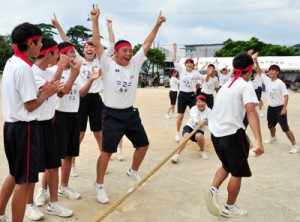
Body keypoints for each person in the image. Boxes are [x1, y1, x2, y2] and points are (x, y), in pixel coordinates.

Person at [91, 4, 166, 204]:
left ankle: (133, 171)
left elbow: (148, 43)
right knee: (107, 152)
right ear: (115, 53)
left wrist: (157, 25)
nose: (129, 53)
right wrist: (96, 20)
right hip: (112, 114)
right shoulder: (107, 64)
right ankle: (99, 185)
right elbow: (97, 43)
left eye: (130, 50)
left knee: (143, 145)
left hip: (130, 114)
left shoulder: (134, 63)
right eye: (125, 50)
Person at [0, 22, 60, 222]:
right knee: (24, 181)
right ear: (30, 43)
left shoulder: (11, 63)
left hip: (10, 127)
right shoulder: (25, 68)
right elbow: (31, 105)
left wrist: (43, 91)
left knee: (13, 174)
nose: (42, 45)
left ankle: (1, 214)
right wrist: (47, 94)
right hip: (24, 128)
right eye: (40, 41)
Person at [51, 14, 115, 177]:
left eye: (92, 46)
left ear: (95, 49)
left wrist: (109, 28)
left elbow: (112, 47)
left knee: (98, 133)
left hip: (95, 99)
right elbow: (66, 42)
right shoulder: (78, 59)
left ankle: (104, 161)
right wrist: (58, 26)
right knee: (79, 133)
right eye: (87, 46)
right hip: (80, 99)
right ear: (83, 49)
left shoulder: (101, 61)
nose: (90, 49)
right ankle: (71, 164)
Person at [205, 52, 264, 218]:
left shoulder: (226, 86)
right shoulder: (246, 86)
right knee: (237, 172)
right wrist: (259, 141)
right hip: (231, 135)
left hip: (216, 134)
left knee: (227, 165)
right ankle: (229, 207)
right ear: (250, 70)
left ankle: (213, 189)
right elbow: (251, 111)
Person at [23, 38, 76, 221]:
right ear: (49, 54)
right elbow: (50, 89)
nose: (60, 58)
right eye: (57, 54)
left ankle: (54, 203)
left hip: (49, 123)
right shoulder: (32, 72)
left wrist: (73, 72)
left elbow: (62, 91)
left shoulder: (50, 70)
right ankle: (28, 205)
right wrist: (61, 68)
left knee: (53, 166)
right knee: (32, 171)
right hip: (34, 124)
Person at [53, 42, 101, 201]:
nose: (74, 55)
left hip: (73, 114)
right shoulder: (54, 71)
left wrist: (91, 80)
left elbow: (80, 93)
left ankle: (64, 186)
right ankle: (42, 192)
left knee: (68, 155)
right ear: (60, 55)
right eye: (70, 53)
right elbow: (61, 93)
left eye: (73, 52)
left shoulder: (76, 71)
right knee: (53, 157)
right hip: (58, 115)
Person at [253, 54, 299, 154]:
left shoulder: (280, 83)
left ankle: (294, 145)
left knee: (285, 128)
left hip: (279, 107)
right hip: (271, 108)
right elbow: (260, 72)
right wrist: (256, 61)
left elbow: (286, 96)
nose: (270, 72)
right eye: (270, 70)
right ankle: (273, 137)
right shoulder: (267, 80)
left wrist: (284, 108)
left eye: (273, 70)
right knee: (270, 125)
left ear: (277, 72)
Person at [172, 43, 202, 142]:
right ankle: (177, 132)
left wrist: (209, 74)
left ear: (194, 65)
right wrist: (174, 49)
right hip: (182, 95)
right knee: (180, 115)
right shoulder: (181, 70)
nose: (189, 64)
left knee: (195, 114)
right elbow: (174, 61)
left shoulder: (196, 73)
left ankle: (195, 132)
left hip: (192, 95)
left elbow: (204, 78)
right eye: (188, 63)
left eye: (191, 63)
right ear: (185, 64)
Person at [171, 95, 211, 163]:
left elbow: (212, 122)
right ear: (196, 103)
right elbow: (194, 118)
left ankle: (202, 151)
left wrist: (205, 123)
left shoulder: (209, 111)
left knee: (199, 136)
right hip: (190, 126)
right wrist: (199, 122)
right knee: (186, 135)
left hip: (200, 129)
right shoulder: (193, 109)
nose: (200, 104)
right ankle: (177, 155)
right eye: (198, 102)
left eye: (202, 102)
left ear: (205, 103)